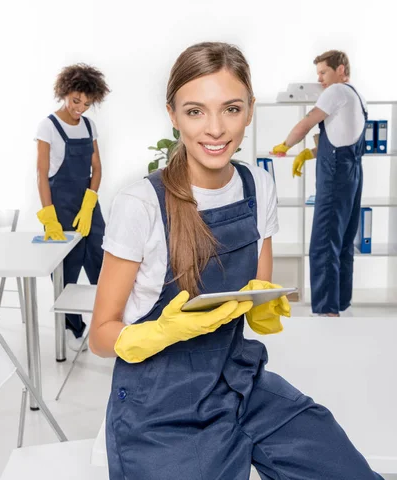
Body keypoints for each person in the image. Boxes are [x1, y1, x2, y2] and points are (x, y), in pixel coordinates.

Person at [90, 43, 381, 479]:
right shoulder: (141, 203)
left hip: (241, 379)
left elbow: (255, 291)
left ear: (249, 110)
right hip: (161, 404)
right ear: (172, 114)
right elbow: (100, 333)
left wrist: (264, 305)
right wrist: (152, 335)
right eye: (195, 111)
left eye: (230, 108)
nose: (214, 129)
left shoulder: (257, 185)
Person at [272, 50, 367, 316]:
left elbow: (306, 122)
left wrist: (286, 145)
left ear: (340, 69)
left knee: (324, 241)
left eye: (324, 72)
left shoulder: (335, 92)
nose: (321, 79)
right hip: (352, 172)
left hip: (336, 174)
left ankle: (327, 310)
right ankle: (340, 303)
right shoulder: (355, 96)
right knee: (343, 240)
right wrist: (308, 153)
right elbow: (341, 138)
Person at [35, 63, 110, 351]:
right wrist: (49, 218)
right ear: (65, 92)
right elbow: (42, 174)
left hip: (88, 205)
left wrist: (90, 203)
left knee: (102, 263)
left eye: (87, 104)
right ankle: (71, 329)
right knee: (67, 271)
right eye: (76, 100)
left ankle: (105, 322)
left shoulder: (89, 126)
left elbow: (97, 169)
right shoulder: (49, 126)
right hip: (61, 209)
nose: (80, 108)